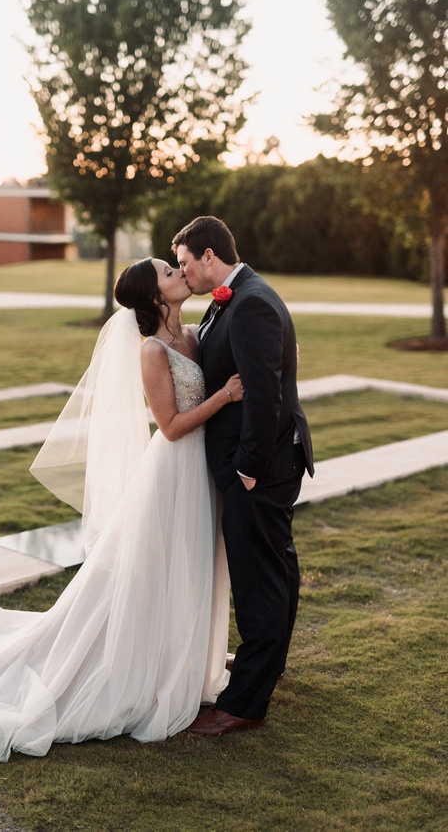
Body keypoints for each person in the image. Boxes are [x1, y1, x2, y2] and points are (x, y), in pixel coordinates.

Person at [0, 258, 242, 762]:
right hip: (173, 469)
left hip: (200, 472)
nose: (180, 273)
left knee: (187, 568)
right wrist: (226, 396)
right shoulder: (151, 350)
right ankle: (143, 671)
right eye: (169, 272)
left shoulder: (193, 333)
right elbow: (168, 426)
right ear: (153, 296)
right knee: (151, 571)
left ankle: (183, 661)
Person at [172, 216, 314, 736]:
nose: (184, 274)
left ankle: (244, 704)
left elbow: (263, 396)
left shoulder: (249, 301)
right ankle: (266, 665)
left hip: (261, 466)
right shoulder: (235, 297)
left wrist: (248, 470)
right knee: (276, 569)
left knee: (258, 583)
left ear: (210, 255)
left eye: (186, 264)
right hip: (266, 463)